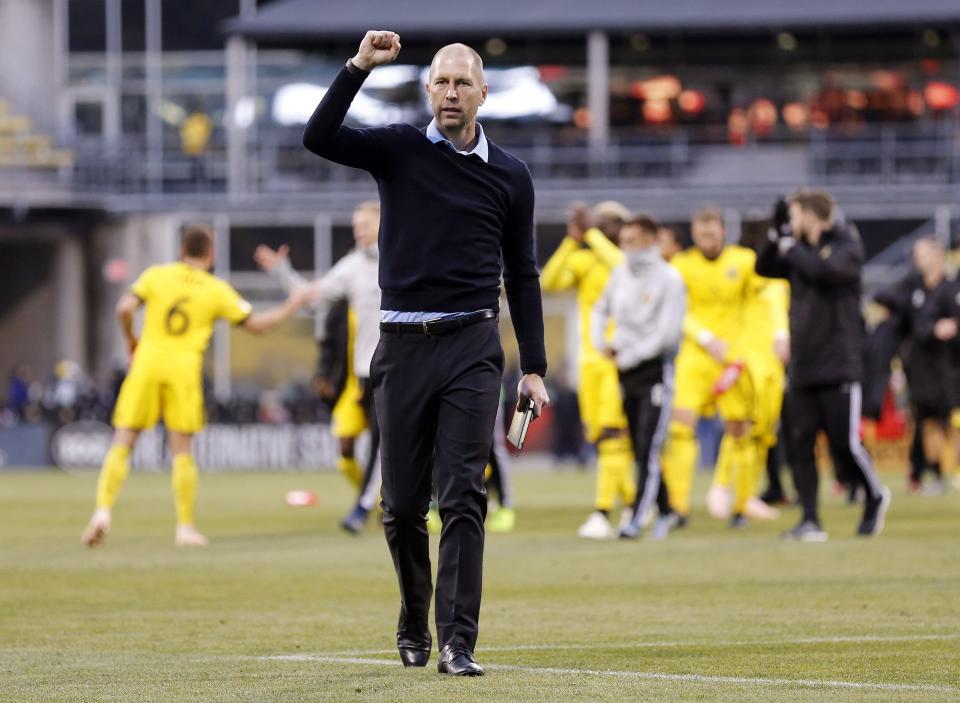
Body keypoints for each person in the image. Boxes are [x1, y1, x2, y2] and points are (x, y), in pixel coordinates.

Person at [301, 32, 548, 676]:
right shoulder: (400, 150)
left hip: (472, 345)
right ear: (427, 89)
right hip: (403, 347)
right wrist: (357, 67)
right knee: (403, 505)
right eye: (441, 81)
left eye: (463, 82)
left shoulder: (512, 176)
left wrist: (536, 367)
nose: (450, 92)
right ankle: (413, 619)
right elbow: (318, 136)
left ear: (484, 93)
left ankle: (458, 642)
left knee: (465, 495)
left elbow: (522, 274)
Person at [81, 224, 310, 548]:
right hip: (184, 370)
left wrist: (132, 339)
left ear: (181, 251)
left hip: (146, 364)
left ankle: (102, 511)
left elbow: (124, 308)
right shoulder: (215, 289)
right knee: (182, 452)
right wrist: (294, 303)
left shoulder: (157, 275)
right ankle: (184, 527)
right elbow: (258, 325)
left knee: (123, 441)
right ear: (211, 254)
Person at [758, 189, 891, 541]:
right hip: (803, 362)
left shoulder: (848, 243)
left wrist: (792, 246)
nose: (792, 222)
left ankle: (874, 494)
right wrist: (775, 235)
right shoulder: (795, 248)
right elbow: (764, 268)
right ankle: (810, 518)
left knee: (843, 444)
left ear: (812, 216)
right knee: (799, 443)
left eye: (795, 216)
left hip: (839, 362)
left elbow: (823, 271)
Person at [255, 200, 383, 533]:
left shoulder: (404, 260)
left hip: (397, 370)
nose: (359, 232)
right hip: (362, 376)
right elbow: (311, 297)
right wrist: (282, 272)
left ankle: (363, 508)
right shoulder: (352, 266)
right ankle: (384, 500)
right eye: (356, 227)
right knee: (348, 445)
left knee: (385, 443)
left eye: (365, 226)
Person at [542, 202, 636, 539]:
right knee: (602, 436)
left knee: (613, 435)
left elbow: (621, 265)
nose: (602, 225)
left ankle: (602, 511)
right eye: (599, 221)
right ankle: (634, 505)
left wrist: (592, 234)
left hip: (619, 357)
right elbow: (550, 281)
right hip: (590, 360)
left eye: (610, 222)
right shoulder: (586, 260)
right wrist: (571, 241)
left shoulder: (625, 261)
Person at [661, 207, 757, 526]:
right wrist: (704, 338)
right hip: (695, 358)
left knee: (740, 429)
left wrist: (748, 348)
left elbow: (758, 303)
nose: (707, 239)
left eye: (712, 233)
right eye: (702, 234)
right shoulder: (682, 265)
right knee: (681, 428)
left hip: (733, 360)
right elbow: (675, 310)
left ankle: (741, 507)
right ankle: (679, 507)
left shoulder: (744, 261)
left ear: (723, 231)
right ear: (694, 233)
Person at [591, 214, 685, 540]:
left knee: (648, 444)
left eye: (631, 241)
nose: (625, 247)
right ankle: (668, 511)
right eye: (623, 241)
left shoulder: (669, 279)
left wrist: (630, 353)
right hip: (624, 371)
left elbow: (668, 335)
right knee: (638, 445)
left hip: (655, 372)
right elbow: (599, 308)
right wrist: (601, 340)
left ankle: (637, 517)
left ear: (649, 240)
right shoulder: (620, 274)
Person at [706, 228, 791, 527]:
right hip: (743, 361)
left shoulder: (775, 279)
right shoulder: (746, 273)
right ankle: (720, 485)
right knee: (739, 427)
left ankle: (745, 498)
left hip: (769, 365)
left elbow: (776, 303)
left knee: (761, 433)